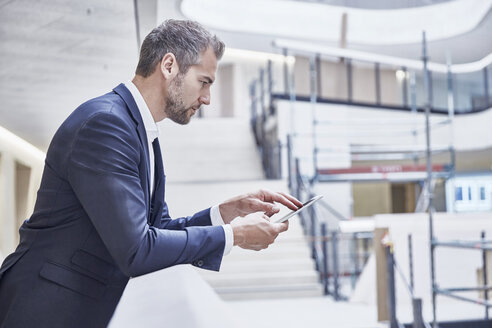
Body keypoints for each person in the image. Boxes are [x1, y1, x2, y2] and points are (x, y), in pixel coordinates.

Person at [0, 19, 302, 328]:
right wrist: (235, 236)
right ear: (169, 65)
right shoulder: (105, 125)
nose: (207, 98)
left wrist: (224, 213)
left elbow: (158, 229)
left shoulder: (140, 133)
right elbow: (137, 248)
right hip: (44, 310)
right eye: (204, 81)